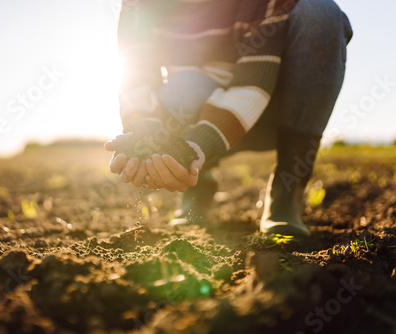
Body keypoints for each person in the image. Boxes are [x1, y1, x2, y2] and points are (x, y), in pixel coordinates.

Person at [105, 0, 353, 238]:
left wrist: (200, 143)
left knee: (321, 12)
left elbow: (251, 84)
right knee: (185, 86)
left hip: (273, 107)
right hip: (196, 109)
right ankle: (198, 187)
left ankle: (287, 193)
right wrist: (146, 134)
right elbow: (136, 74)